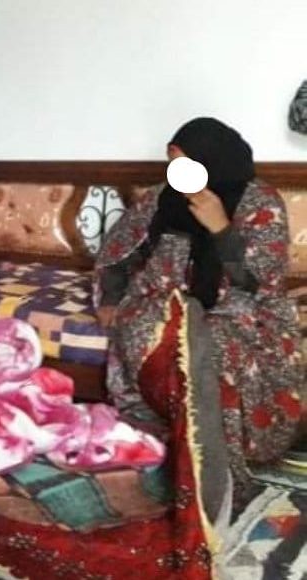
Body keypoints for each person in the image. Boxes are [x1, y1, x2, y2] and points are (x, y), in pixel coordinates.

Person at [96, 118, 303, 494]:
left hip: (241, 307)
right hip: (164, 300)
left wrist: (221, 227)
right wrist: (111, 298)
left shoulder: (260, 201)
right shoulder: (160, 199)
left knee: (211, 345)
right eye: (171, 163)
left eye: (183, 162)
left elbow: (257, 279)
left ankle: (215, 467)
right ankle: (162, 444)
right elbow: (118, 251)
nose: (176, 172)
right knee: (149, 333)